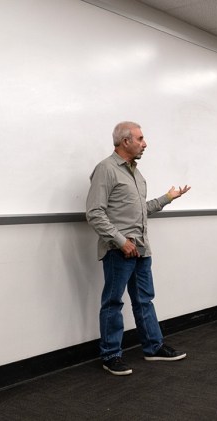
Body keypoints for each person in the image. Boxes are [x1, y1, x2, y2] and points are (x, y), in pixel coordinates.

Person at [86, 121, 191, 376]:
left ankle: (152, 348)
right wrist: (122, 242)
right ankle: (111, 355)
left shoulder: (136, 173)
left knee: (144, 300)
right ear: (125, 142)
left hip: (142, 249)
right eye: (140, 139)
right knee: (112, 303)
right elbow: (94, 213)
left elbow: (141, 209)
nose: (145, 144)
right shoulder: (106, 169)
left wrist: (167, 198)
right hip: (118, 251)